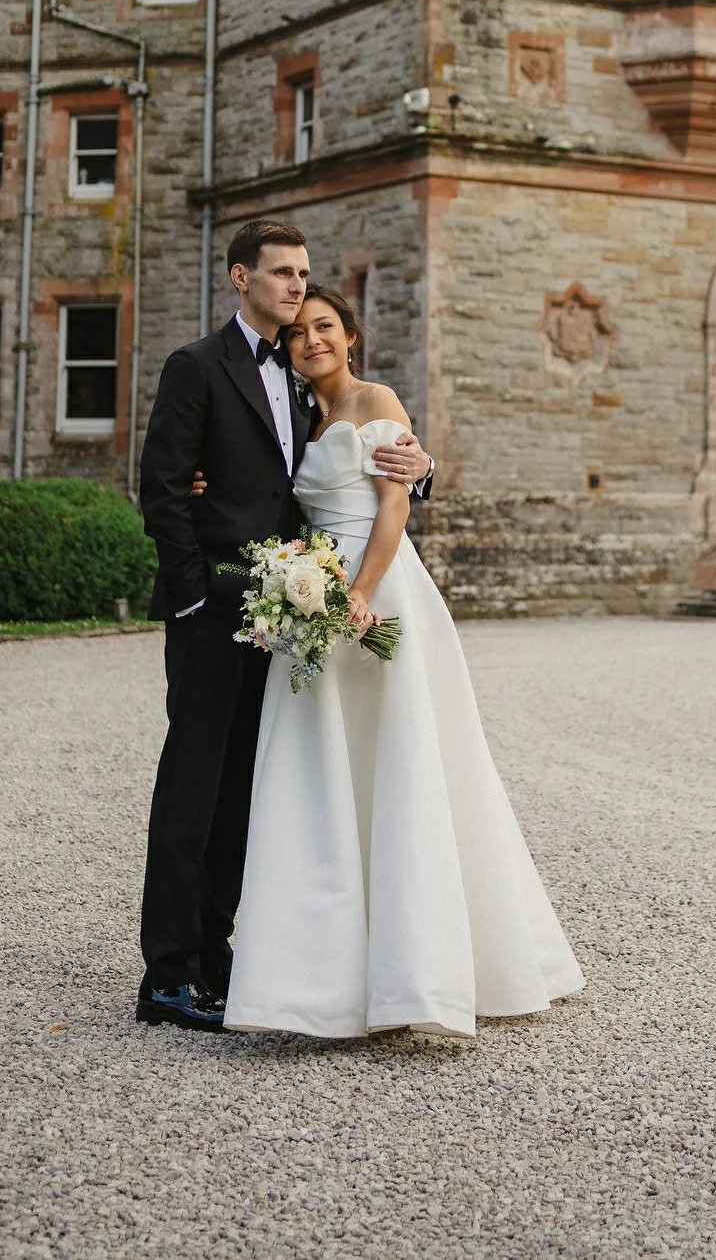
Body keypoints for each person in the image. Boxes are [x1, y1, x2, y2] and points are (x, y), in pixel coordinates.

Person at [222, 283, 583, 1038]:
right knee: (321, 769)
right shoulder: (297, 414)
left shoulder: (377, 399)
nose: (311, 341)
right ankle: (318, 980)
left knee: (402, 760)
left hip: (377, 591)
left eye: (325, 327)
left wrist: (359, 592)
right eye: (298, 333)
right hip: (313, 593)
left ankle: (420, 972)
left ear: (351, 335)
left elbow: (394, 508)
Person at [135, 219, 434, 1031]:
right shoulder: (197, 367)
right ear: (242, 278)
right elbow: (162, 487)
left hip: (284, 618)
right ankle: (167, 976)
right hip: (213, 613)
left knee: (246, 789)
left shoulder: (304, 383)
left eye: (304, 274)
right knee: (193, 788)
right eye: (282, 273)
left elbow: (351, 469)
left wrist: (422, 468)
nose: (297, 286)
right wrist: (193, 596)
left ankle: (217, 954)